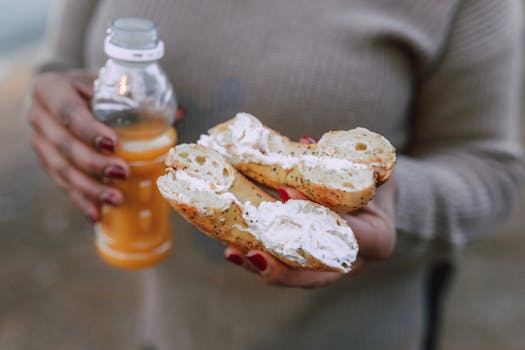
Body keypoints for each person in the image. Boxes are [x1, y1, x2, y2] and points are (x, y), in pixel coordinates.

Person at [27, 0, 524, 349]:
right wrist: (55, 106)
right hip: (172, 329)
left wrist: (395, 203)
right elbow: (63, 64)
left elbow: (491, 172)